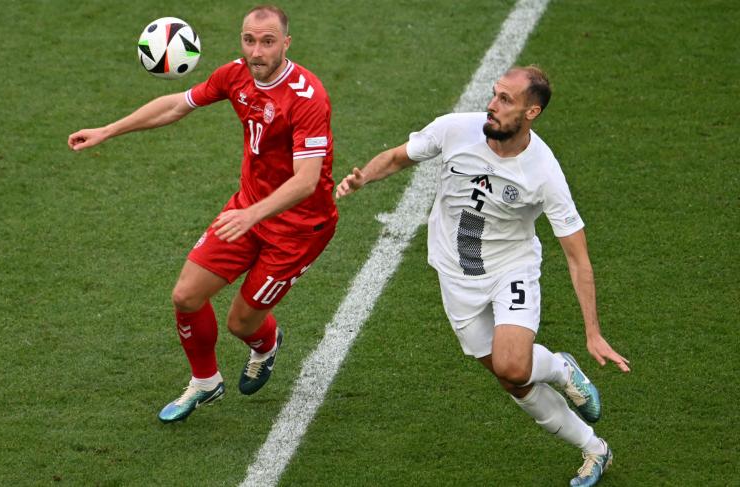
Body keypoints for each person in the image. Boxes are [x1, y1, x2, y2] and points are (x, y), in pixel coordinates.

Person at [336, 66, 630, 487]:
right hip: (454, 273)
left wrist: (593, 332)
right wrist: (364, 176)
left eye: (506, 100)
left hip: (510, 268)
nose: (492, 105)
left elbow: (578, 257)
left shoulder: (543, 173)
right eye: (495, 94)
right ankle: (592, 442)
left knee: (514, 363)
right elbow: (400, 156)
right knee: (512, 380)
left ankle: (568, 389)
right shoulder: (456, 129)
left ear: (531, 112)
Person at [68, 5, 338, 423]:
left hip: (299, 229)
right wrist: (108, 130)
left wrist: (253, 216)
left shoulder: (307, 97)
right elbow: (178, 104)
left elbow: (306, 181)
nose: (257, 51)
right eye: (249, 40)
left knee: (241, 323)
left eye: (268, 42)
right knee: (186, 295)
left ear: (286, 43)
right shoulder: (235, 74)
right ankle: (205, 382)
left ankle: (265, 345)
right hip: (247, 209)